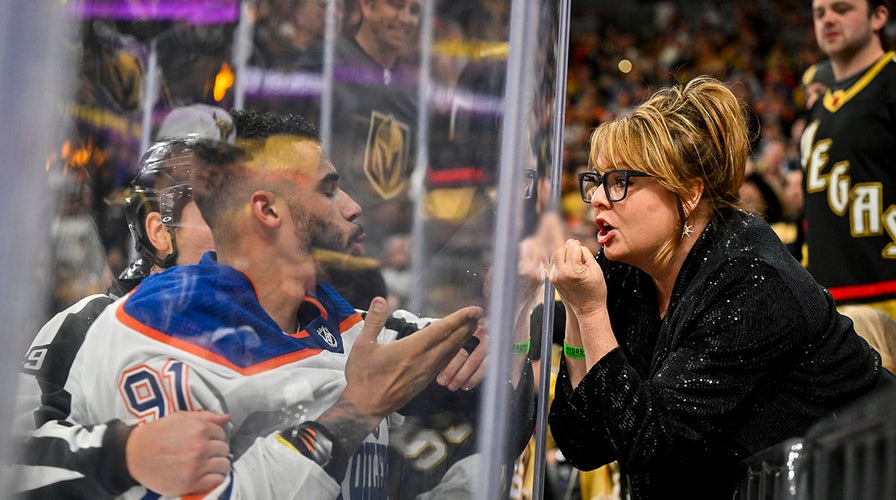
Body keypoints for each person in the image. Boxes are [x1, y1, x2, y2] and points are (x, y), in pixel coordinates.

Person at [63, 110, 535, 498]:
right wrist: (353, 414)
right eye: (328, 191)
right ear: (267, 211)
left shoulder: (350, 324)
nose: (352, 207)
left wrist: (513, 331)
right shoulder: (157, 329)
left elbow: (505, 403)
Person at [546, 75, 895, 500]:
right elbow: (582, 444)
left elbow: (652, 447)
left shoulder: (751, 280)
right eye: (596, 181)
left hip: (860, 479)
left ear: (689, 193)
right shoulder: (627, 271)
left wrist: (590, 312)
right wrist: (578, 322)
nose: (598, 197)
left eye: (620, 182)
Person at [12, 135, 230, 497]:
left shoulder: (273, 325)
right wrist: (124, 451)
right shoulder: (89, 322)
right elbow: (13, 455)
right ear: (161, 232)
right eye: (219, 211)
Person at [297, 0, 422, 256]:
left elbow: (409, 174)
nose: (406, 18)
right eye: (397, 6)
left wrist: (403, 236)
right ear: (367, 5)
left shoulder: (412, 88)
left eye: (415, 11)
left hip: (381, 248)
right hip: (324, 242)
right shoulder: (328, 59)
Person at [800, 0, 896, 320]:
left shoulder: (890, 80)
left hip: (888, 294)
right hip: (830, 306)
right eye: (819, 13)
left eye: (841, 9)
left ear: (878, 16)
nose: (827, 19)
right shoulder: (818, 109)